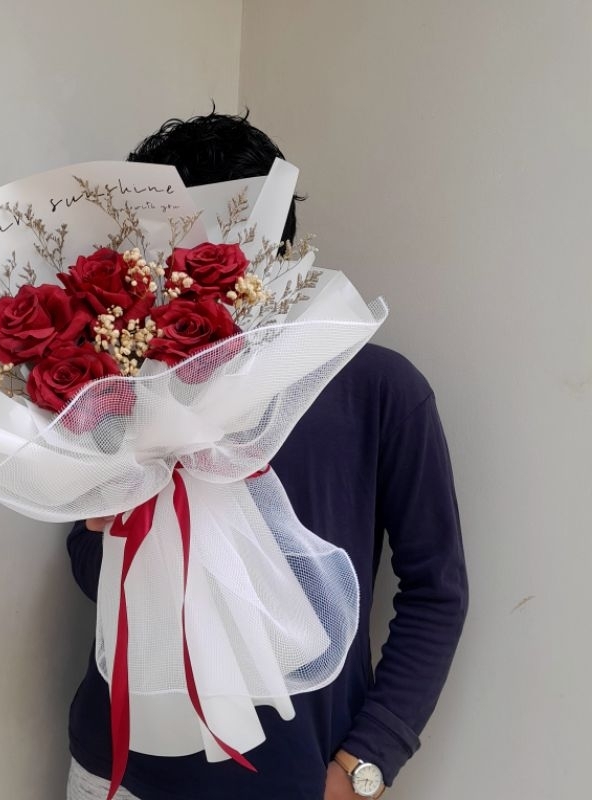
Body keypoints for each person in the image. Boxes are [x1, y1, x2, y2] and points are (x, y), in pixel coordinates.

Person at [65, 111, 469, 800]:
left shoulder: (379, 390)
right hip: (115, 767)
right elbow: (87, 575)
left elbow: (437, 590)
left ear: (270, 243)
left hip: (295, 777)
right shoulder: (124, 385)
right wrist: (107, 527)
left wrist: (365, 766)